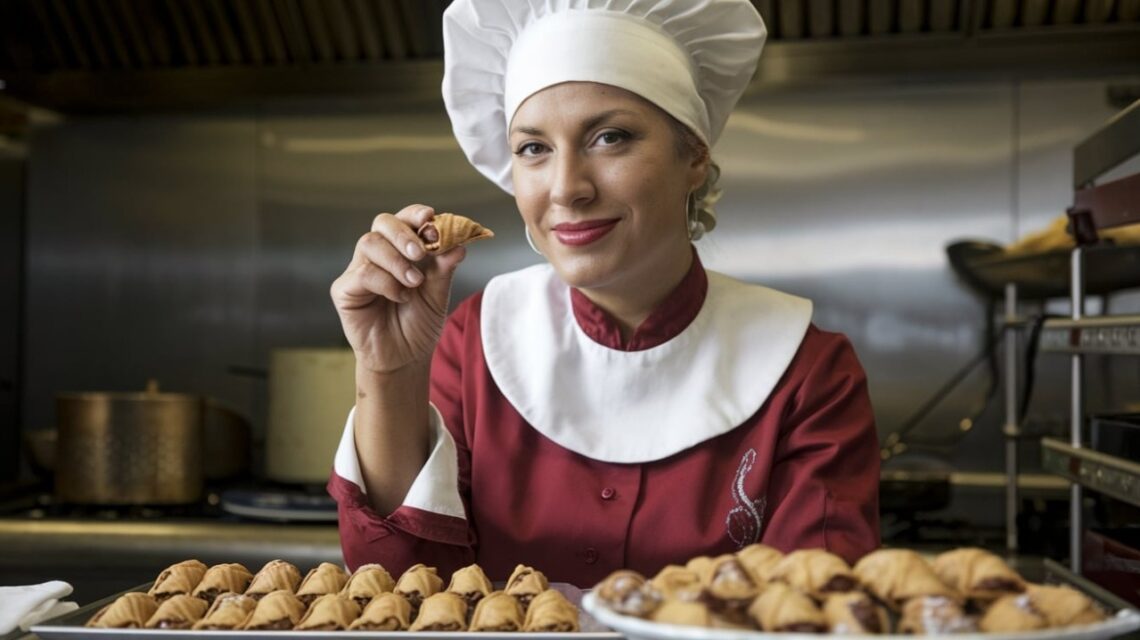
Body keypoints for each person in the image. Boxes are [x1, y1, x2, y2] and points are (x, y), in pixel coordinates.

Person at [327, 0, 880, 587]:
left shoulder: (807, 373)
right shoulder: (475, 338)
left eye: (610, 137)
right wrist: (389, 372)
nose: (567, 189)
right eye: (533, 148)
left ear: (693, 154)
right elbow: (400, 588)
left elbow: (814, 612)